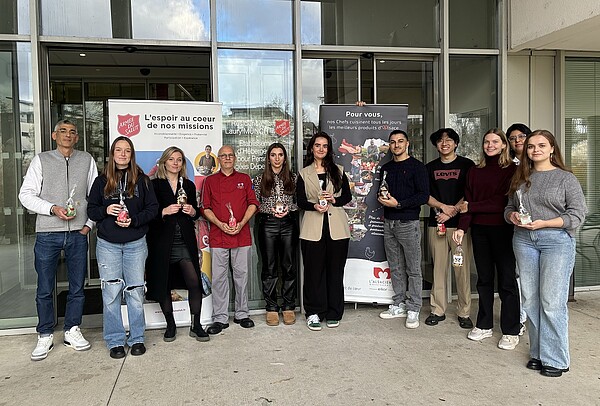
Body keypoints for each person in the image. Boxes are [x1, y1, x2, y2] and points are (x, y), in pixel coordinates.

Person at [505, 130, 586, 377]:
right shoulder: (520, 177)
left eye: (541, 145)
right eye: (530, 146)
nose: (535, 150)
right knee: (530, 300)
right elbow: (508, 208)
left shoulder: (565, 178)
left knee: (551, 301)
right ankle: (538, 353)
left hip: (556, 241)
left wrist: (545, 223)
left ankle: (557, 359)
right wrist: (513, 216)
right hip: (523, 240)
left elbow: (577, 215)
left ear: (552, 149)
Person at [18, 119, 98, 361]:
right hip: (47, 234)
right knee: (44, 287)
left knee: (77, 286)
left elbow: (95, 195)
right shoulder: (41, 160)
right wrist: (52, 208)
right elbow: (26, 195)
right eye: (62, 131)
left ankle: (72, 329)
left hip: (77, 234)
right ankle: (44, 334)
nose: (67, 135)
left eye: (72, 132)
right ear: (54, 136)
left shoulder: (86, 160)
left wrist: (88, 225)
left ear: (77, 138)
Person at [87, 136, 158, 359]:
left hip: (136, 244)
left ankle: (137, 338)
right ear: (112, 154)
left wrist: (134, 220)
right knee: (111, 293)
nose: (123, 154)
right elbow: (91, 210)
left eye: (127, 150)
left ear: (131, 153)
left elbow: (153, 208)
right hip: (108, 245)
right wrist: (106, 211)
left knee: (136, 292)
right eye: (119, 150)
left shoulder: (143, 181)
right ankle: (115, 340)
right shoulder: (101, 181)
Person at [452, 128, 521, 350]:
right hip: (479, 230)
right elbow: (467, 203)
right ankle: (484, 324)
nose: (489, 145)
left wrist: (471, 206)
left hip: (504, 231)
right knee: (483, 279)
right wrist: (462, 228)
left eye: (495, 141)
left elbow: (502, 203)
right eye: (486, 142)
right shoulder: (474, 170)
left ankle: (511, 330)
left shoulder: (512, 170)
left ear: (503, 145)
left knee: (507, 281)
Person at [146, 146, 209, 342]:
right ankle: (170, 325)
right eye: (172, 159)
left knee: (195, 283)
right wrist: (163, 212)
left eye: (179, 159)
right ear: (164, 162)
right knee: (163, 283)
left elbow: (197, 212)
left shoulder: (188, 185)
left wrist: (193, 212)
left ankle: (196, 324)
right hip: (161, 241)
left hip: (184, 240)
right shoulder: (153, 185)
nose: (175, 163)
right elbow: (147, 213)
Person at [201, 145, 259, 334]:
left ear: (235, 158)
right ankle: (220, 318)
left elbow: (253, 203)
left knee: (241, 277)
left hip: (241, 236)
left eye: (230, 155)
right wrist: (220, 224)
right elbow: (205, 207)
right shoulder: (210, 181)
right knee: (219, 278)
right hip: (218, 236)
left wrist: (241, 223)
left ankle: (242, 313)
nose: (227, 158)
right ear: (218, 159)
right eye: (223, 156)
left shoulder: (244, 179)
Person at [297, 132, 352, 331]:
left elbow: (347, 196)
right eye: (317, 145)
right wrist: (314, 206)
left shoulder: (339, 170)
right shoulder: (304, 173)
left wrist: (334, 200)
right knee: (313, 272)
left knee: (335, 272)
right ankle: (313, 312)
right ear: (311, 148)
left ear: (329, 149)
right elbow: (300, 201)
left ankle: (333, 312)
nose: (321, 149)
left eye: (325, 146)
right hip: (312, 229)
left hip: (337, 229)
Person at [377, 130, 429, 329]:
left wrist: (398, 204)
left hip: (408, 223)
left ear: (407, 144)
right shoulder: (386, 168)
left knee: (413, 268)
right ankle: (398, 303)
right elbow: (383, 191)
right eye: (392, 142)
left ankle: (414, 307)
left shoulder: (417, 167)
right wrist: (383, 200)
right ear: (389, 145)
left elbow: (423, 196)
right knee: (395, 266)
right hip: (389, 223)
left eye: (400, 141)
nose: (396, 145)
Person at [425, 128, 475, 329]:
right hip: (436, 224)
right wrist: (441, 207)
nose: (444, 143)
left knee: (461, 270)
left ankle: (464, 312)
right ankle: (438, 309)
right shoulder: (429, 167)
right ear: (436, 145)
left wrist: (451, 211)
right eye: (440, 140)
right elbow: (425, 194)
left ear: (456, 143)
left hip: (460, 228)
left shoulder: (467, 165)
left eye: (449, 140)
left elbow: (470, 193)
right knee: (438, 269)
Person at [253, 143, 299, 326]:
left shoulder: (293, 178)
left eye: (280, 155)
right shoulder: (259, 179)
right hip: (268, 224)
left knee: (288, 266)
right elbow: (254, 203)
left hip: (288, 224)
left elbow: (299, 202)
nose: (277, 158)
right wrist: (270, 209)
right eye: (273, 155)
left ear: (285, 158)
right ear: (268, 158)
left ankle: (288, 306)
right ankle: (271, 307)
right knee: (270, 267)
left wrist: (289, 209)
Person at [506, 122, 532, 335]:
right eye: (513, 138)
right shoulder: (508, 166)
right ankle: (521, 317)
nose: (517, 141)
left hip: (542, 230)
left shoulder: (539, 162)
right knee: (518, 274)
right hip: (514, 226)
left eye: (521, 136)